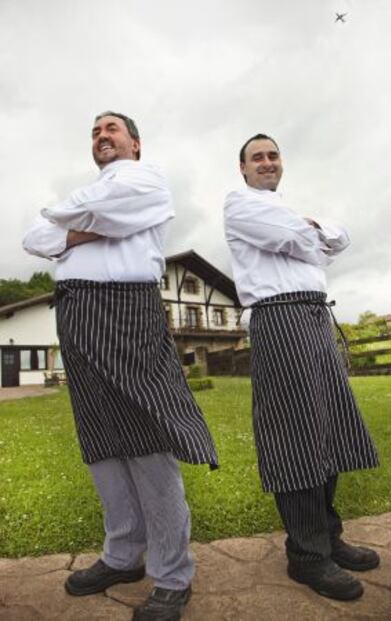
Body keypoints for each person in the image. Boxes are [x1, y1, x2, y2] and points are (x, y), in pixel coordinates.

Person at [23, 111, 218, 621]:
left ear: (135, 142)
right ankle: (122, 556)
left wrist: (67, 223)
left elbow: (73, 219)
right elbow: (33, 238)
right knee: (102, 440)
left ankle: (173, 574)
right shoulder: (94, 191)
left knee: (148, 438)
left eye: (111, 129)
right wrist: (85, 226)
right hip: (76, 311)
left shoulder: (146, 177)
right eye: (94, 131)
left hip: (127, 309)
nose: (101, 136)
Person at [223, 133, 380, 601]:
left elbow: (339, 237)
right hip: (278, 317)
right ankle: (307, 555)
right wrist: (312, 233)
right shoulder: (238, 203)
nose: (266, 162)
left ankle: (328, 539)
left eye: (273, 155)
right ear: (244, 169)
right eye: (257, 158)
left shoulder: (283, 207)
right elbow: (303, 240)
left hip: (315, 314)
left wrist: (309, 230)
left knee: (326, 430)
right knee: (296, 435)